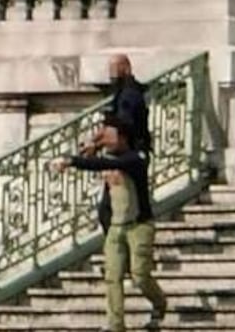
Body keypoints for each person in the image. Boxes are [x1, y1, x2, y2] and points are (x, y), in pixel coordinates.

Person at [51, 116, 167, 332]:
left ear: (122, 138)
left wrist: (73, 161)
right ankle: (116, 325)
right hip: (116, 226)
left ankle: (159, 303)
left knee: (139, 275)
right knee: (112, 277)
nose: (105, 139)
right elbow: (103, 171)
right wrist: (90, 149)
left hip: (139, 225)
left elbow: (110, 164)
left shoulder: (136, 158)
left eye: (109, 136)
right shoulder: (107, 157)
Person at [99, 54, 152, 156]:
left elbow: (124, 123)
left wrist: (99, 143)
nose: (111, 74)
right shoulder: (122, 91)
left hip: (132, 148)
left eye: (114, 68)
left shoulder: (130, 93)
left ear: (126, 68)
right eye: (111, 69)